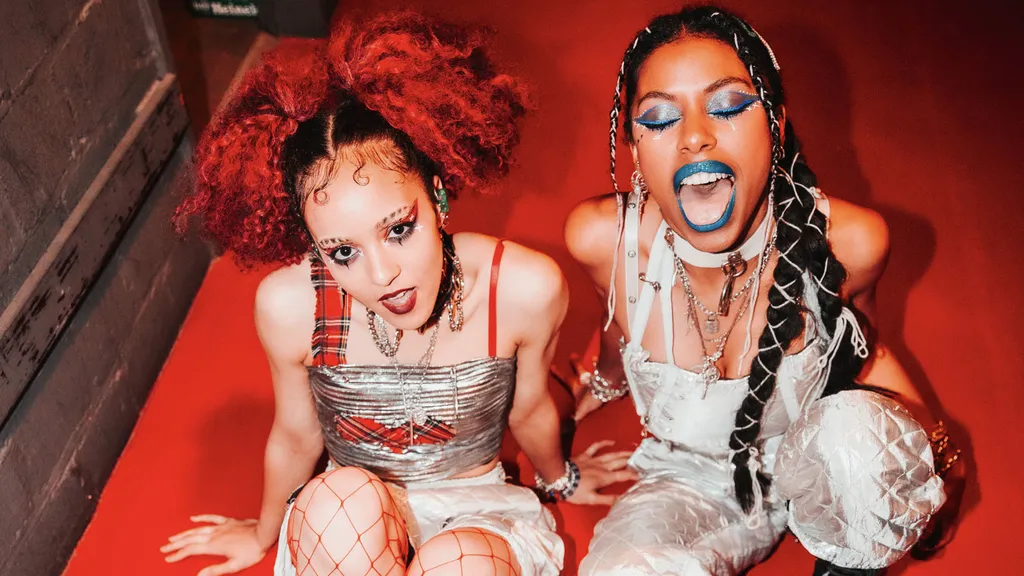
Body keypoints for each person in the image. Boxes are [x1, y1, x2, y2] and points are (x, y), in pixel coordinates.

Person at [161, 12, 632, 576]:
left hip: (478, 516)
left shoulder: (520, 286)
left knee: (457, 563)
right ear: (311, 245)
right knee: (340, 501)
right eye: (343, 252)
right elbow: (295, 433)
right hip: (353, 523)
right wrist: (263, 532)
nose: (383, 274)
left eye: (398, 229)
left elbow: (529, 406)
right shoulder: (290, 306)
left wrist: (562, 480)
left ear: (437, 197)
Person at [564, 5, 962, 575]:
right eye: (659, 118)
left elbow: (860, 347)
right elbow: (615, 335)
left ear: (775, 126)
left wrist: (926, 457)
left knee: (860, 447)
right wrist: (580, 402)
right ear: (633, 149)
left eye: (727, 106)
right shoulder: (604, 240)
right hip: (688, 484)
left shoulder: (851, 242)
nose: (695, 137)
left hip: (817, 463)